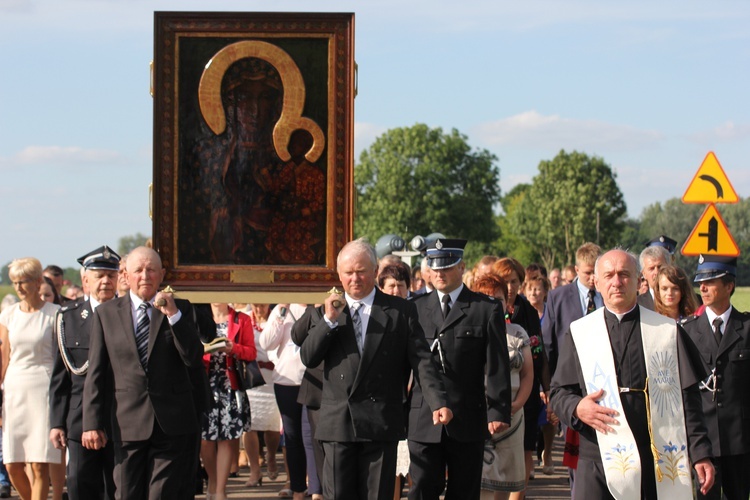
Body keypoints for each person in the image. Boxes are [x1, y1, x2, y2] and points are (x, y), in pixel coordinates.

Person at [550, 249, 715, 499]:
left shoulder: (666, 331)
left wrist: (700, 451)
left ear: (639, 282)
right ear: (597, 282)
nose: (617, 282)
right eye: (609, 275)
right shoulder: (580, 332)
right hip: (597, 456)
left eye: (624, 275)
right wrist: (577, 408)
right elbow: (559, 392)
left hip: (653, 455)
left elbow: (689, 398)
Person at [299, 238, 453, 500]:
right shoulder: (327, 309)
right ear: (339, 274)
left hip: (380, 421)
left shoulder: (400, 310)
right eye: (348, 273)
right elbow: (309, 357)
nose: (355, 278)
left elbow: (422, 360)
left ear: (375, 271)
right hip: (338, 424)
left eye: (361, 271)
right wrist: (328, 322)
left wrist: (438, 401)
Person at [81, 246, 204, 499]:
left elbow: (193, 358)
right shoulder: (106, 314)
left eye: (151, 270)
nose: (145, 276)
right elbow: (96, 372)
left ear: (162, 274)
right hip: (127, 423)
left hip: (171, 422)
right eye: (138, 270)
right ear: (125, 275)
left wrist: (174, 316)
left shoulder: (181, 309)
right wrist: (91, 423)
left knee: (162, 493)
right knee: (127, 493)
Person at [409, 239, 511, 500]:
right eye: (435, 267)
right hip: (424, 418)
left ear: (462, 266)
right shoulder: (415, 309)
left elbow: (497, 364)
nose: (440, 273)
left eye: (447, 267)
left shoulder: (485, 308)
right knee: (422, 489)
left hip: (467, 416)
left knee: (464, 491)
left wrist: (498, 410)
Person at [49, 246, 120, 500]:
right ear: (85, 279)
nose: (105, 281)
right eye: (99, 275)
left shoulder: (128, 315)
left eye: (111, 276)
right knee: (80, 486)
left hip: (120, 418)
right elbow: (61, 376)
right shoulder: (68, 317)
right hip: (79, 419)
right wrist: (57, 422)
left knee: (118, 489)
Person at [682, 255, 750, 499]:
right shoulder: (688, 330)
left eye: (710, 282)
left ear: (729, 286)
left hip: (741, 441)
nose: (702, 288)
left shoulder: (747, 327)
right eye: (700, 282)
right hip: (704, 442)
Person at [542, 243, 602, 493]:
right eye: (587, 273)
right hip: (569, 387)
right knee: (574, 450)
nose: (592, 279)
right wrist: (549, 390)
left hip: (601, 384)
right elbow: (548, 345)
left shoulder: (606, 295)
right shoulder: (559, 297)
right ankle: (577, 488)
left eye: (595, 273)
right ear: (577, 270)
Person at [0, 257, 62, 500]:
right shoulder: (8, 315)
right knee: (12, 465)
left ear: (38, 282)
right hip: (14, 390)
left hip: (43, 389)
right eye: (14, 282)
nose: (18, 287)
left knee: (39, 464)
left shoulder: (55, 313)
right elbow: (3, 357)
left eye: (23, 281)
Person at [473, 274, 533, 499]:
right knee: (481, 480)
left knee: (508, 481)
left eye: (496, 299)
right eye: (485, 298)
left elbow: (528, 375)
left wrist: (516, 405)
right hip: (480, 414)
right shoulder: (471, 333)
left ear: (506, 304)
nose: (491, 304)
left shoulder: (517, 332)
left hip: (514, 412)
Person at [492, 256, 547, 496]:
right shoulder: (491, 307)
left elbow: (538, 351)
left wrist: (547, 387)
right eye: (506, 281)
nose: (511, 287)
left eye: (515, 281)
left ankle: (519, 495)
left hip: (526, 387)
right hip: (494, 392)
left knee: (525, 447)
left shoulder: (528, 311)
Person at [199, 303, 256, 500]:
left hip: (229, 385)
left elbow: (251, 352)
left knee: (226, 438)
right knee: (205, 440)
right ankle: (213, 481)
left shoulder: (242, 319)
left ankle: (220, 489)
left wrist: (233, 348)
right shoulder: (199, 316)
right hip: (205, 384)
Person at [260, 303, 310, 500]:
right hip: (287, 381)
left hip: (316, 381)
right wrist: (281, 313)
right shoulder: (283, 308)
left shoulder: (320, 305)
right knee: (293, 438)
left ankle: (318, 488)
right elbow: (266, 343)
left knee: (315, 438)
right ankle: (298, 488)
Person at [242, 304, 282, 488]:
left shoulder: (277, 316)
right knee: (249, 426)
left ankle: (271, 456)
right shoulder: (243, 318)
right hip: (251, 377)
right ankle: (255, 470)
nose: (260, 308)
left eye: (263, 304)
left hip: (274, 378)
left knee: (273, 426)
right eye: (256, 304)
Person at [636, 245, 670, 310]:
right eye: (651, 268)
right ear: (644, 273)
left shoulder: (682, 299)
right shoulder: (637, 305)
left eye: (660, 267)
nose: (656, 272)